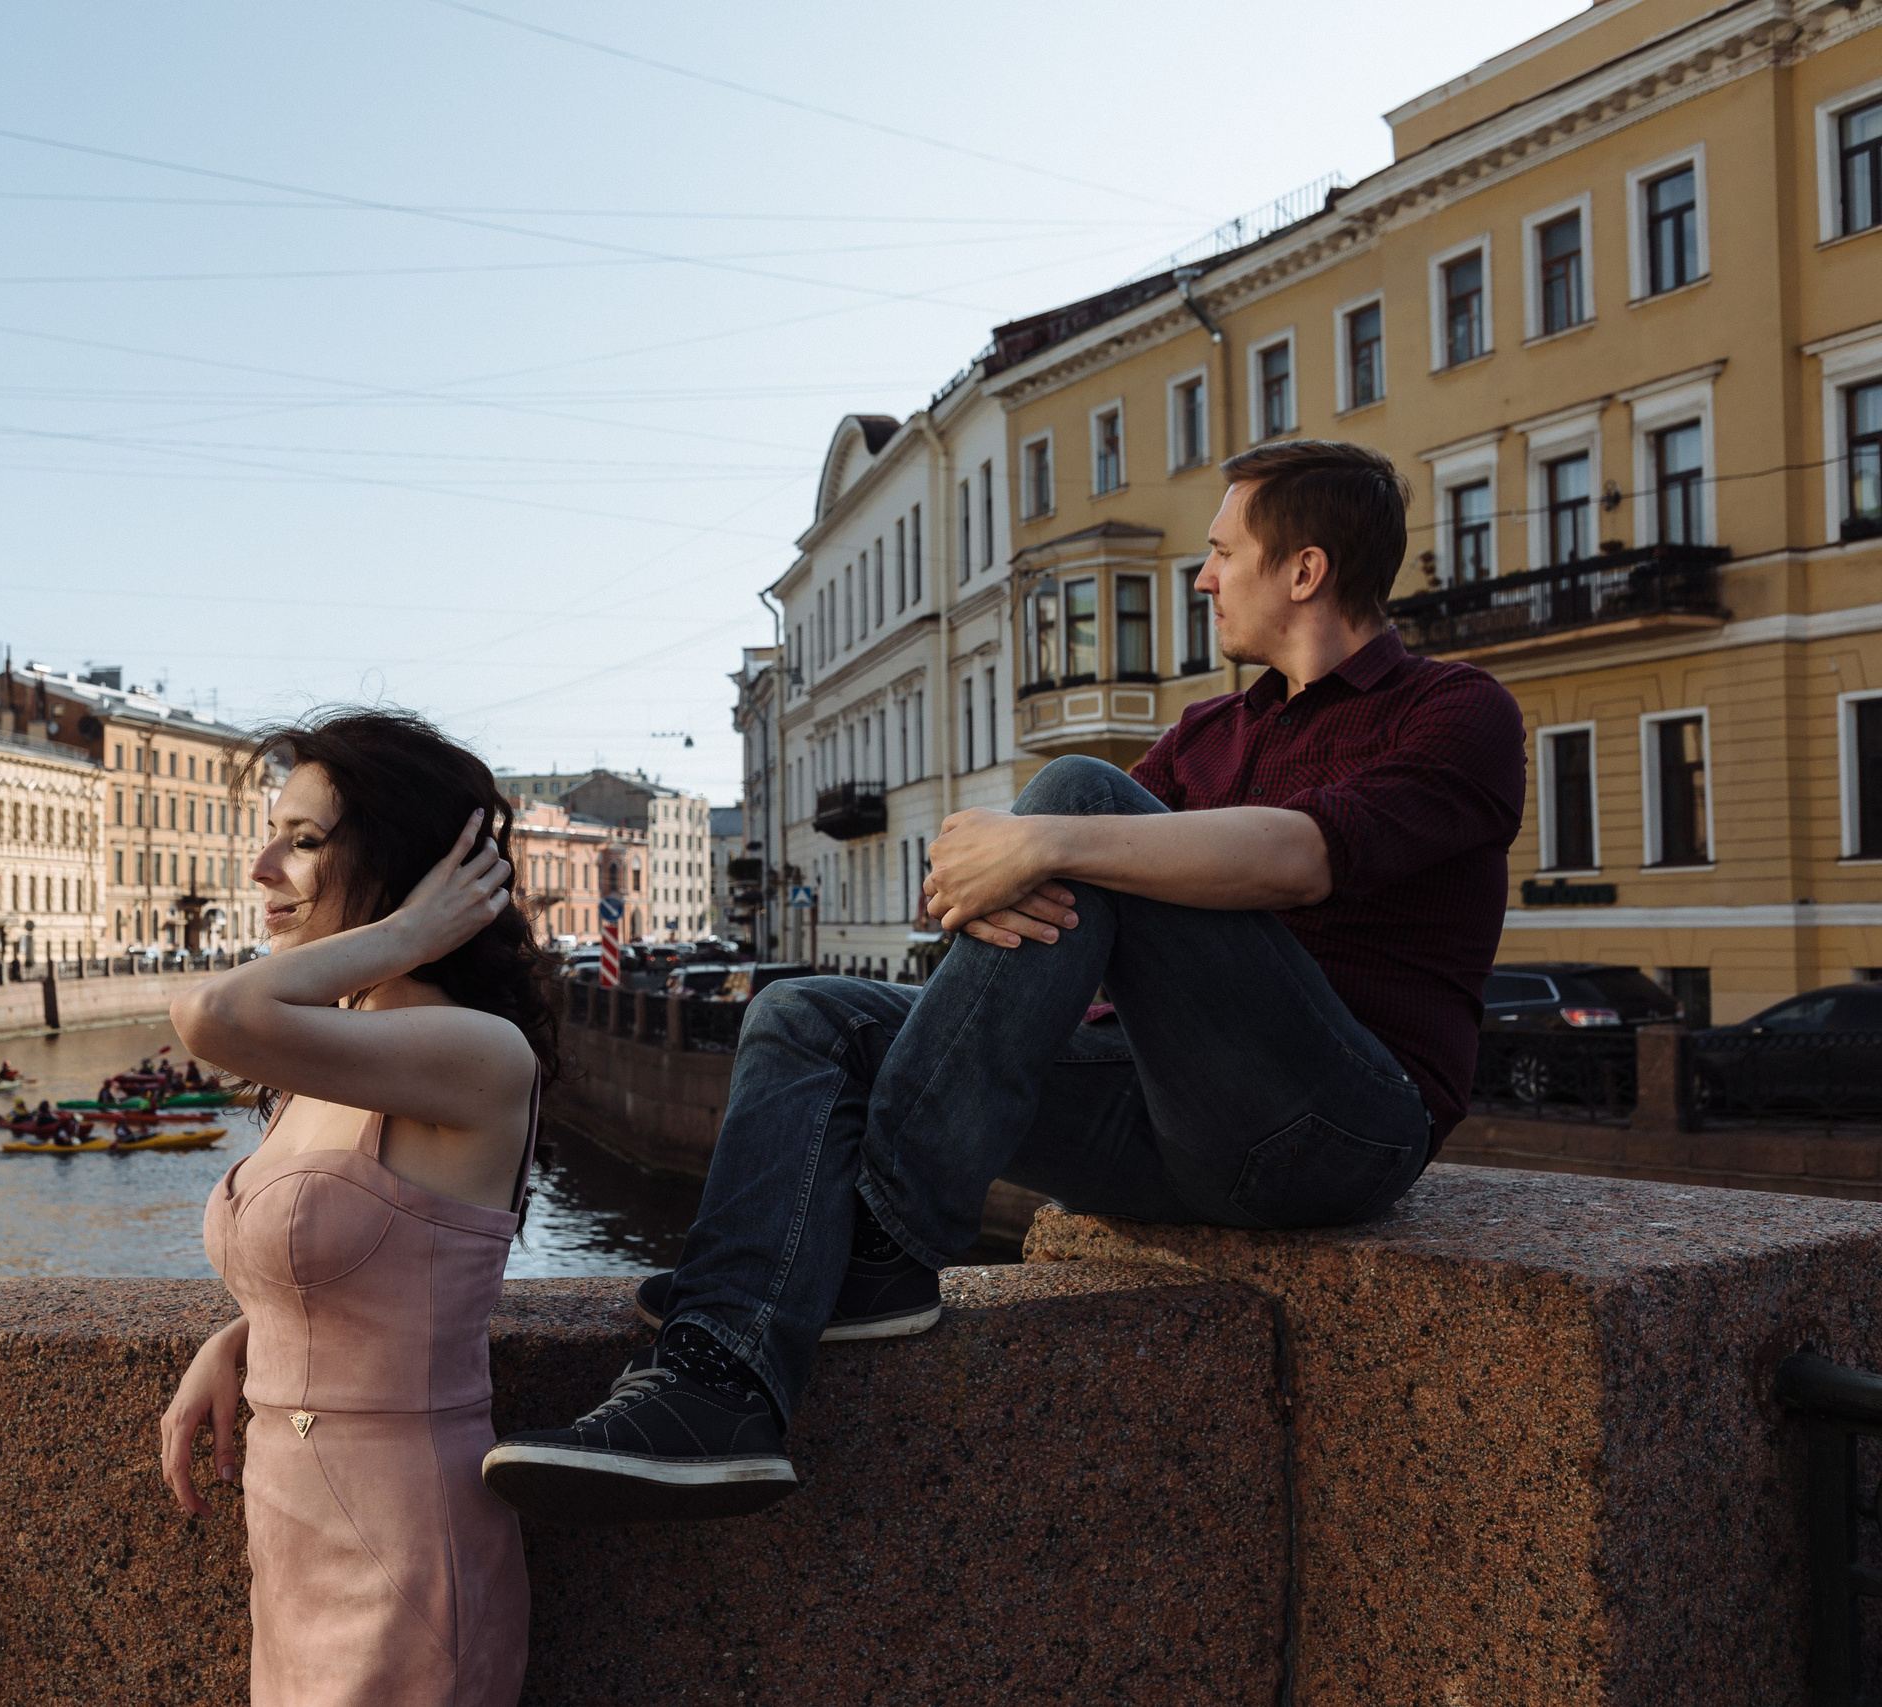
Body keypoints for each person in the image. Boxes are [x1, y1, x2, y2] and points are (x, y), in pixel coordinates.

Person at [485, 441, 1526, 1525]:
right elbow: (1023, 883)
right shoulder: (1211, 733)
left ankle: (885, 1233)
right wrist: (1001, 868)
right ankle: (715, 1381)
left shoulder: (1454, 713)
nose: (1204, 576)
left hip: (1340, 1129)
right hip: (1168, 1118)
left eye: (1221, 553)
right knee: (806, 1014)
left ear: (1303, 571)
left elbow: (1306, 856)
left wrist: (1049, 843)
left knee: (1083, 797)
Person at [158, 708, 557, 1707]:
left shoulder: (476, 1052)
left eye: (304, 842)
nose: (260, 869)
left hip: (405, 1541)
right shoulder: (331, 1056)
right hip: (291, 1531)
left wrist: (409, 933)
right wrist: (246, 1335)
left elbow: (211, 1015)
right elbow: (372, 1255)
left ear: (412, 866)